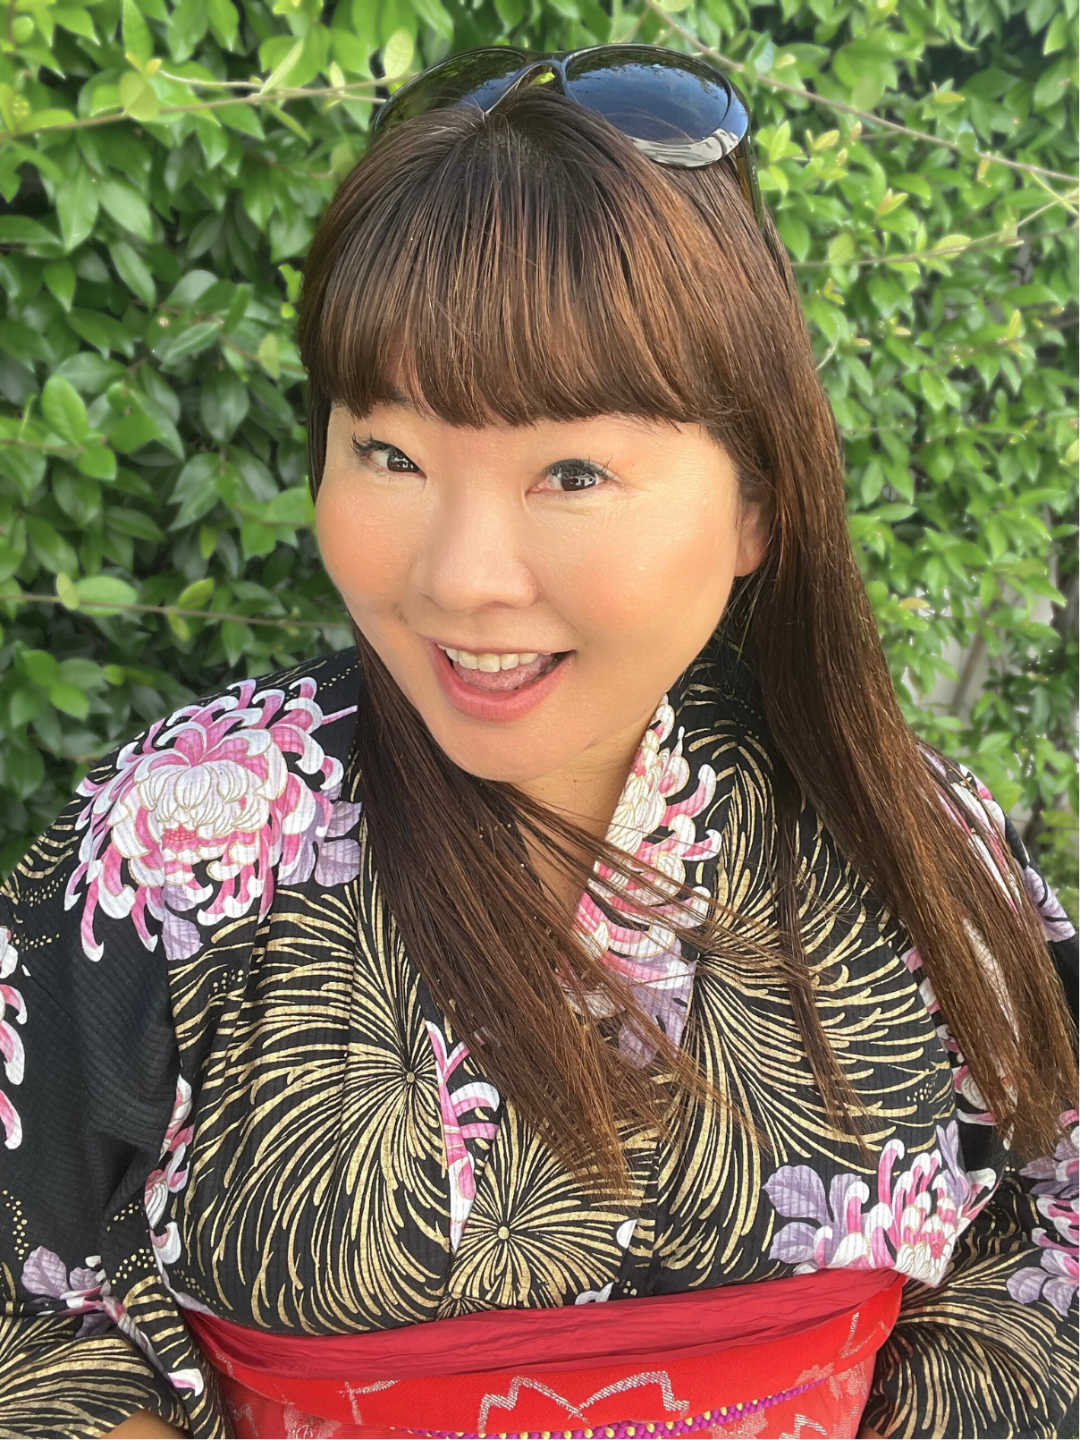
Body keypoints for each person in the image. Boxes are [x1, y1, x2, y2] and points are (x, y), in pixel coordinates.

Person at [0, 44, 1076, 1440]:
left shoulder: (915, 840)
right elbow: (31, 1294)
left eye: (571, 471)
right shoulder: (182, 836)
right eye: (389, 454)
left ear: (758, 502)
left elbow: (1042, 1227)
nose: (459, 579)